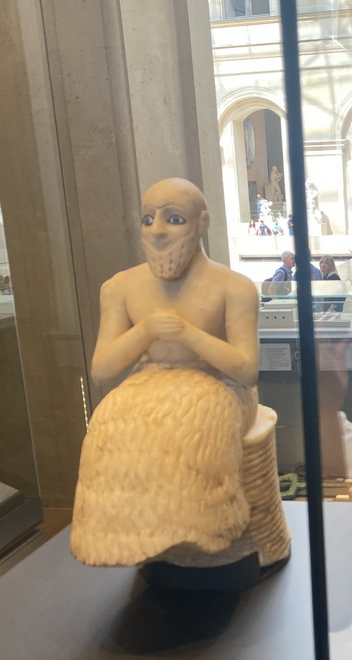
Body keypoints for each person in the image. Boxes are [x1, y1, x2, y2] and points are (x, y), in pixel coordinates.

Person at [72, 178, 288, 573]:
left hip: (219, 386)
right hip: (147, 382)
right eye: (147, 219)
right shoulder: (120, 287)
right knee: (109, 420)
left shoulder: (233, 287)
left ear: (201, 224)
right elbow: (102, 370)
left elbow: (246, 370)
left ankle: (202, 532)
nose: (157, 231)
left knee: (193, 428)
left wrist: (189, 334)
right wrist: (146, 330)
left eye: (173, 219)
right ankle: (130, 538)